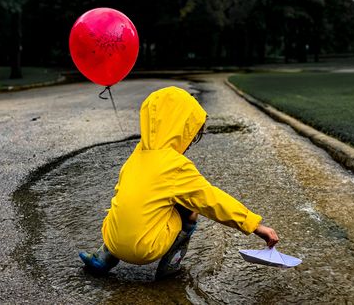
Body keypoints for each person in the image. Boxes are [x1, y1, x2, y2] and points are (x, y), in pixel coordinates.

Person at [79, 86, 279, 280]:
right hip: (144, 250)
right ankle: (171, 266)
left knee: (125, 201)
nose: (190, 142)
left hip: (111, 238)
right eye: (191, 136)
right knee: (190, 209)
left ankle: (103, 257)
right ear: (181, 130)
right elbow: (212, 200)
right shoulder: (176, 166)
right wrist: (255, 226)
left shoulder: (137, 154)